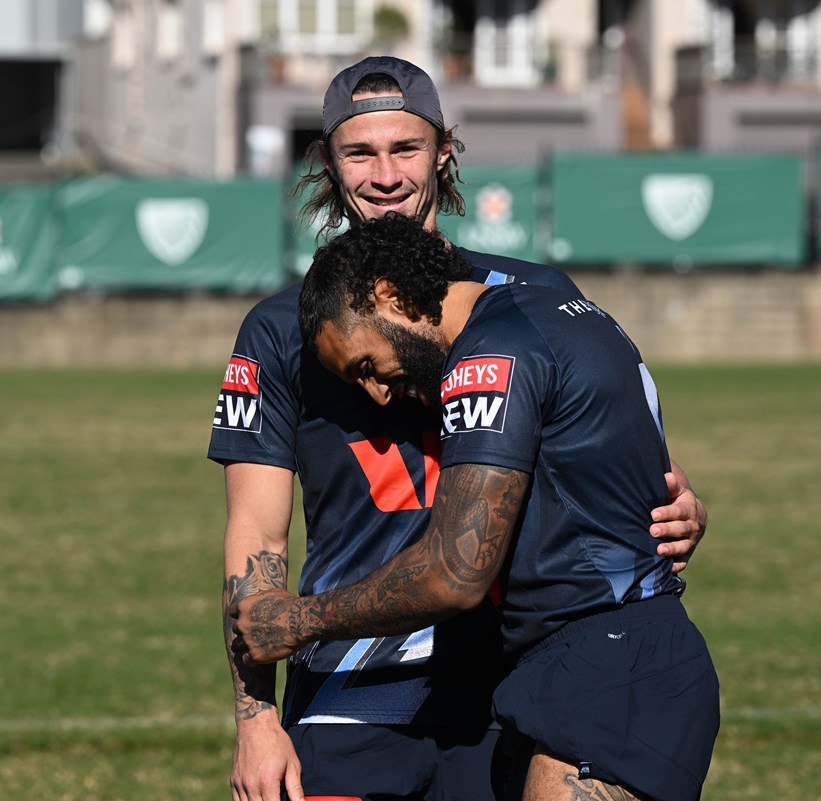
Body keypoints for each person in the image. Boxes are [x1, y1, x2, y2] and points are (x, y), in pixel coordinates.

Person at [209, 56, 708, 801]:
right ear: (327, 163)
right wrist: (256, 714)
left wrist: (673, 508)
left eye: (405, 149)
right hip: (350, 685)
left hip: (507, 684)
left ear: (444, 152)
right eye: (360, 152)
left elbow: (606, 445)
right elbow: (258, 538)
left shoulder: (531, 297)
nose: (385, 175)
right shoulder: (283, 329)